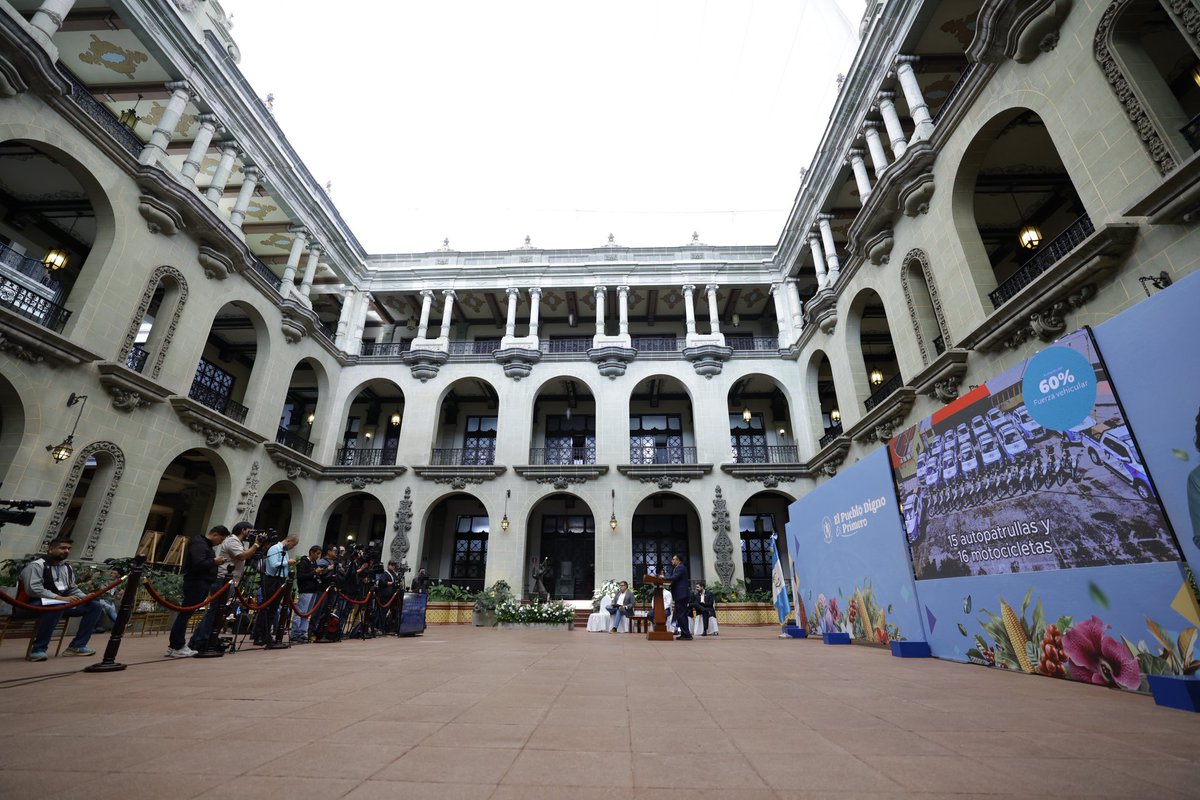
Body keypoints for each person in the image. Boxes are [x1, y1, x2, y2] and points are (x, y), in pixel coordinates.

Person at [16, 536, 104, 661]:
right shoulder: (36, 565)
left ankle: (77, 646)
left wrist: (85, 597)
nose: (66, 551)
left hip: (59, 604)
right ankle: (38, 649)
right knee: (57, 606)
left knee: (94, 606)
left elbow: (72, 588)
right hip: (30, 605)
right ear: (51, 549)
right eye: (62, 548)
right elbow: (33, 589)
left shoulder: (66, 567)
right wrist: (60, 598)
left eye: (68, 549)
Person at [167, 526, 229, 658]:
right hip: (196, 582)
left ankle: (176, 645)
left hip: (201, 582)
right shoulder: (199, 544)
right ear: (215, 535)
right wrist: (214, 561)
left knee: (186, 614)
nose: (221, 542)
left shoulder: (204, 545)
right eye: (221, 539)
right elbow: (198, 563)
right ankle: (176, 645)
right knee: (185, 614)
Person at [252, 534, 298, 647]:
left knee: (272, 610)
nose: (293, 547)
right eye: (293, 545)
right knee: (267, 608)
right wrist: (288, 563)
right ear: (288, 541)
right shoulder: (275, 549)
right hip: (272, 580)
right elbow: (273, 565)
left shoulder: (284, 551)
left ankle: (264, 634)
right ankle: (259, 634)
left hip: (280, 581)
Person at [290, 545, 324, 643]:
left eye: (319, 554)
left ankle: (302, 632)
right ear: (311, 552)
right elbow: (301, 576)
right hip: (305, 590)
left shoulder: (314, 563)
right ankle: (295, 633)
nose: (318, 556)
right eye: (316, 554)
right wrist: (314, 572)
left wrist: (318, 572)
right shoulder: (303, 562)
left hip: (313, 590)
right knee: (301, 611)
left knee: (307, 613)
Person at [665, 554, 692, 640]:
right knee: (681, 615)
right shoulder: (678, 567)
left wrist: (663, 578)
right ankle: (685, 633)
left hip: (681, 595)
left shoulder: (680, 567)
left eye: (673, 559)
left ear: (678, 560)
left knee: (681, 615)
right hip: (680, 595)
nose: (672, 561)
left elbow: (674, 578)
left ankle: (687, 634)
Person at [376, 560, 401, 634]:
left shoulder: (394, 574)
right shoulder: (385, 573)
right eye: (392, 565)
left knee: (394, 611)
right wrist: (391, 583)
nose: (393, 566)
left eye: (394, 565)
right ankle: (380, 628)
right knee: (383, 612)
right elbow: (382, 582)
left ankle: (391, 627)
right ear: (389, 565)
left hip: (393, 596)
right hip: (385, 596)